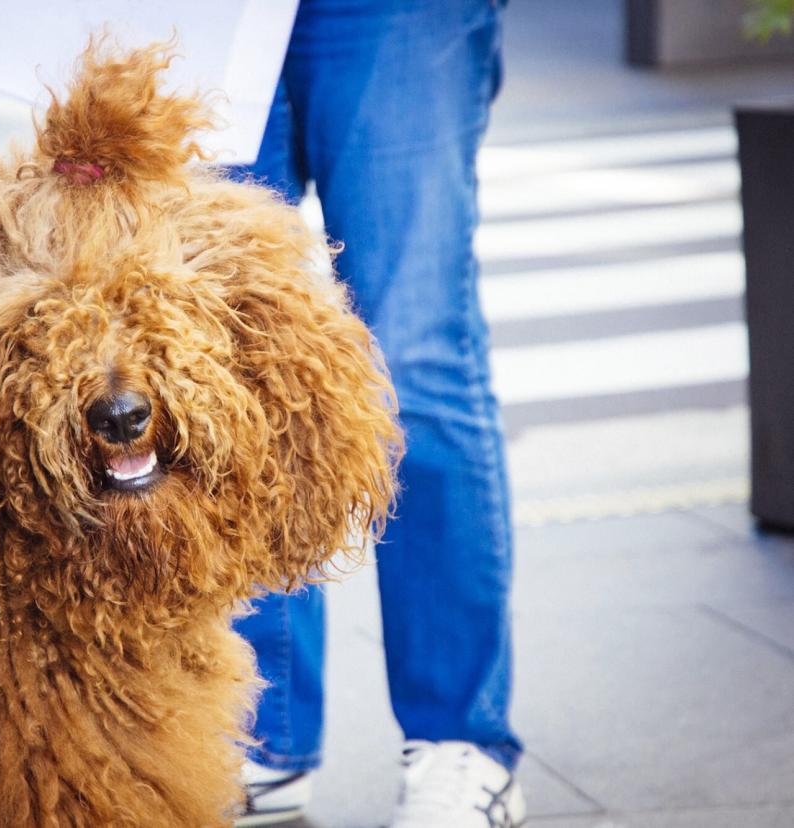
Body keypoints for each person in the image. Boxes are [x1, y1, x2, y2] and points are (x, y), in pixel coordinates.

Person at [226, 1, 524, 826]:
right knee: (223, 363)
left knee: (416, 363)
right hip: (206, 16)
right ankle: (258, 729)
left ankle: (461, 743)